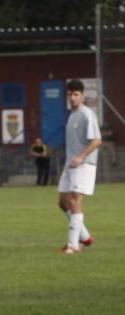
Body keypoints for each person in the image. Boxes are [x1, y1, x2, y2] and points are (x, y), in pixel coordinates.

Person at [58, 78, 101, 254]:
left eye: (76, 94)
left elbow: (97, 140)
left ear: (82, 95)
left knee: (75, 200)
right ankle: (85, 237)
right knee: (63, 203)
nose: (73, 98)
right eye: (70, 94)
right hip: (71, 165)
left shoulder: (86, 114)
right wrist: (71, 160)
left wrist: (81, 156)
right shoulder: (72, 115)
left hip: (84, 164)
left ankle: (73, 245)